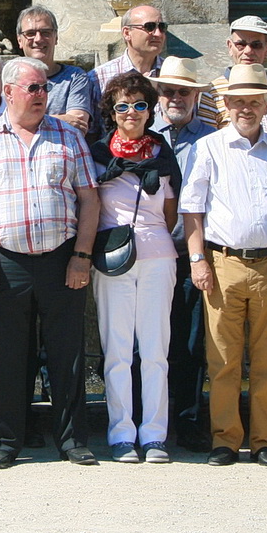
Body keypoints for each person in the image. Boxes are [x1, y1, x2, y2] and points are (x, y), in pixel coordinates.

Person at [0, 56, 101, 468]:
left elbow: (89, 199)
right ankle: (2, 442)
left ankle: (73, 441)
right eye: (33, 89)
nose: (41, 96)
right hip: (4, 261)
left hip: (61, 259)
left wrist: (81, 257)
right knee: (3, 354)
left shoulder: (68, 137)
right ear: (10, 93)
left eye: (44, 89)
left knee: (67, 353)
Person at [181, 64, 267, 468]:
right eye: (238, 102)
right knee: (223, 359)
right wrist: (198, 259)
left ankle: (264, 440)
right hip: (223, 265)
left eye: (253, 101)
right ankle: (225, 440)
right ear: (227, 105)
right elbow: (192, 209)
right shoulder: (210, 148)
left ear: (266, 104)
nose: (245, 109)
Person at [91, 73, 179, 463]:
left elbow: (173, 212)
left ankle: (155, 434)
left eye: (140, 104)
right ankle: (122, 432)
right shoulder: (96, 152)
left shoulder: (163, 152)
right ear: (111, 111)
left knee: (156, 350)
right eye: (123, 106)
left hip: (158, 255)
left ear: (150, 109)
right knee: (117, 350)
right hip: (113, 259)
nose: (132, 113)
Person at [150, 58, 215, 451]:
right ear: (159, 96)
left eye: (184, 91)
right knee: (148, 341)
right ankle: (150, 420)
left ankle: (188, 421)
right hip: (149, 254)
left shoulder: (211, 139)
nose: (176, 97)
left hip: (192, 253)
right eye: (169, 91)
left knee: (191, 344)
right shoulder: (142, 135)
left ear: (196, 96)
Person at [13, 5, 94, 133]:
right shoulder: (9, 78)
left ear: (56, 37)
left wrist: (23, 123)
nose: (38, 39)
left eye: (45, 33)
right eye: (30, 34)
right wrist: (62, 120)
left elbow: (78, 126)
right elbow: (1, 123)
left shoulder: (75, 77)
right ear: (19, 40)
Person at [197, 16, 267, 128]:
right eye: (241, 45)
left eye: (256, 45)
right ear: (230, 46)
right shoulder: (212, 91)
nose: (248, 51)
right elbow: (208, 137)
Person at [92, 4, 168, 92]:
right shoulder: (99, 78)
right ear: (127, 33)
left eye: (162, 27)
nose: (158, 34)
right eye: (150, 27)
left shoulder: (175, 74)